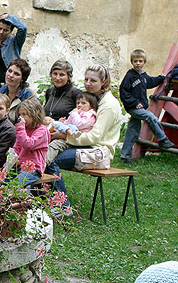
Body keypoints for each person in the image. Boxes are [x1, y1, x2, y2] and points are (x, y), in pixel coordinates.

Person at [44, 65, 123, 198]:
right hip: (85, 145)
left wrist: (65, 136)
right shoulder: (94, 99)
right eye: (86, 79)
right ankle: (40, 197)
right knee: (42, 153)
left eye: (93, 81)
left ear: (103, 82)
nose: (88, 83)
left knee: (50, 159)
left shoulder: (108, 105)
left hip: (99, 151)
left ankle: (62, 205)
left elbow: (94, 137)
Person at [119, 49, 175, 163]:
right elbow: (124, 92)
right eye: (135, 61)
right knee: (151, 117)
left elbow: (150, 82)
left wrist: (161, 78)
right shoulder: (129, 76)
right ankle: (162, 139)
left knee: (132, 131)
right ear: (132, 62)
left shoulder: (143, 75)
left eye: (140, 61)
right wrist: (134, 103)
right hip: (133, 108)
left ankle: (125, 156)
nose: (138, 63)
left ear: (144, 62)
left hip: (140, 107)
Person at [0, 98, 49, 191]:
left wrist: (21, 128)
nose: (20, 117)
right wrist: (7, 166)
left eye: (24, 114)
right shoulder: (23, 129)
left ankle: (7, 203)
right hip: (18, 166)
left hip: (32, 169)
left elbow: (28, 144)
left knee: (12, 186)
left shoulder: (42, 130)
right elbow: (16, 149)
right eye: (20, 114)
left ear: (34, 114)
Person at [44, 92, 98, 166]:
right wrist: (62, 122)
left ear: (91, 105)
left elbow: (79, 124)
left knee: (55, 145)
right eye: (78, 103)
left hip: (74, 140)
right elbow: (68, 123)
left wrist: (74, 113)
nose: (79, 105)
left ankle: (43, 163)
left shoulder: (90, 115)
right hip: (66, 135)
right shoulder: (78, 113)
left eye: (83, 103)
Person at [0, 13, 27, 86]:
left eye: (5, 30)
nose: (1, 32)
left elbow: (23, 28)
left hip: (7, 86)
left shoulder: (14, 42)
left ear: (10, 31)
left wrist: (8, 17)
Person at [43, 60, 82, 124]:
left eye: (62, 75)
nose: (57, 78)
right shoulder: (49, 92)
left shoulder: (75, 93)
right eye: (55, 74)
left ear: (68, 77)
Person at [0, 59, 36, 123]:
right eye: (9, 71)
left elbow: (32, 121)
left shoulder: (28, 96)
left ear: (22, 79)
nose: (10, 75)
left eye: (16, 74)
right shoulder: (2, 91)